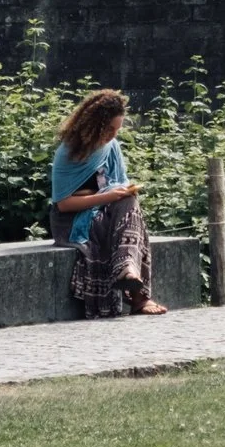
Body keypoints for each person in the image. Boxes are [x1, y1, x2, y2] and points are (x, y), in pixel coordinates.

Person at [50, 88, 163, 320]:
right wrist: (107, 197)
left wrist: (114, 194)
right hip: (73, 221)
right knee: (131, 215)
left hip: (104, 211)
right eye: (109, 129)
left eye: (118, 130)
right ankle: (139, 295)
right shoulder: (68, 152)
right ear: (93, 125)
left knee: (130, 202)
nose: (113, 135)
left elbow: (117, 184)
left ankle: (127, 270)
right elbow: (63, 204)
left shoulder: (111, 147)